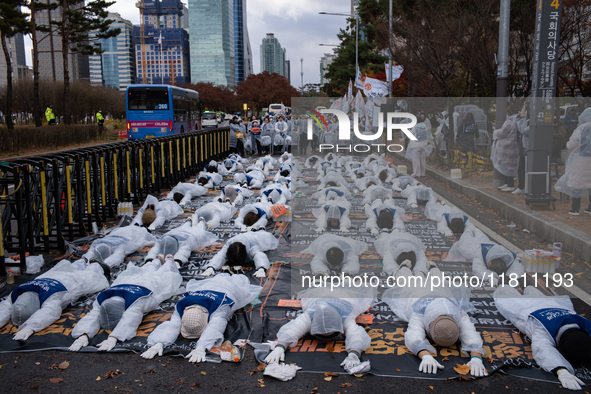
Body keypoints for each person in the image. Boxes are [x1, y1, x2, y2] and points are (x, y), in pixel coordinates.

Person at [383, 263, 486, 376]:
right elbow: (413, 336)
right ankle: (405, 268)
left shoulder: (458, 314)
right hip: (415, 292)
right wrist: (425, 355)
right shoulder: (419, 311)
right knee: (407, 282)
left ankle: (430, 269)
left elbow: (471, 335)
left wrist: (477, 358)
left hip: (439, 291)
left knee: (437, 281)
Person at [68, 257, 182, 352]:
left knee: (164, 274)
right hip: (133, 281)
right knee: (154, 271)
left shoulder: (136, 302)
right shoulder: (103, 299)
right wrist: (83, 334)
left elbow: (130, 319)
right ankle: (158, 261)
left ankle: (166, 261)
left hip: (149, 284)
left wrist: (114, 337)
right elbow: (94, 315)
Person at [141, 274, 262, 362]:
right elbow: (174, 324)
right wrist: (159, 342)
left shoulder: (220, 307)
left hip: (230, 287)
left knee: (240, 278)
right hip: (209, 286)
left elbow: (216, 326)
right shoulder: (183, 306)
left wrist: (202, 346)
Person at [494, 285, 591, 390]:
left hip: (549, 302)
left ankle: (524, 286)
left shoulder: (583, 324)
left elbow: (543, 349)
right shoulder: (543, 328)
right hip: (526, 306)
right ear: (558, 340)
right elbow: (543, 349)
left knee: (530, 289)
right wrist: (561, 370)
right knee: (503, 292)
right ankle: (508, 284)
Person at [264, 284, 376, 373]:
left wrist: (354, 354)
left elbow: (355, 334)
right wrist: (280, 346)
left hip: (345, 296)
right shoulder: (310, 316)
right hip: (320, 294)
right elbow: (295, 328)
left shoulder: (345, 316)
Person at [0, 259, 110, 341]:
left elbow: (50, 312)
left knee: (91, 276)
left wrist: (30, 327)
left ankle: (96, 265)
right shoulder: (18, 292)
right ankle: (82, 261)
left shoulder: (52, 296)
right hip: (52, 276)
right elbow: (5, 307)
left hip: (71, 282)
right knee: (67, 267)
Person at [446, 228, 524, 287]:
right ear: (489, 263)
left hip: (486, 242)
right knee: (465, 239)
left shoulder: (507, 255)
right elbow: (478, 268)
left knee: (483, 237)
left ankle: (476, 230)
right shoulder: (479, 253)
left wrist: (512, 277)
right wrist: (490, 277)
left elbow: (517, 268)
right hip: (472, 245)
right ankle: (469, 230)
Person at [555, 108, 591, 216]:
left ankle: (575, 209)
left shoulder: (580, 129)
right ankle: (589, 208)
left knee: (577, 184)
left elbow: (571, 146)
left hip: (580, 161)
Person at [201, 231, 280, 278]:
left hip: (260, 238)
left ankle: (259, 230)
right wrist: (211, 267)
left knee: (265, 235)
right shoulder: (229, 245)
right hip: (247, 236)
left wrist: (262, 267)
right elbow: (220, 255)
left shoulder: (252, 245)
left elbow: (259, 255)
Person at [143, 222, 218, 266]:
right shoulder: (161, 241)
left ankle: (201, 223)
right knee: (184, 226)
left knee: (200, 229)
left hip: (192, 234)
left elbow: (183, 253)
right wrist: (149, 260)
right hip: (178, 231)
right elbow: (154, 250)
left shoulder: (185, 243)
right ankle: (188, 222)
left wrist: (177, 261)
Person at [81, 225, 157, 267]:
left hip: (123, 235)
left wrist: (83, 262)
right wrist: (102, 265)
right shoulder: (120, 245)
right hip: (123, 236)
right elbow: (117, 257)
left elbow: (87, 255)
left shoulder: (96, 243)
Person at [491, 104, 520, 192]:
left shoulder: (509, 121)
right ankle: (507, 183)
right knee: (509, 166)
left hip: (506, 146)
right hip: (514, 145)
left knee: (506, 165)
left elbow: (502, 133)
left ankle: (510, 184)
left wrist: (495, 131)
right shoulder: (518, 120)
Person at [513, 109, 530, 195]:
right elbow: (517, 128)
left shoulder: (534, 122)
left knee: (526, 169)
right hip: (524, 148)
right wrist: (518, 119)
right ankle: (521, 186)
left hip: (529, 149)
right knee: (521, 169)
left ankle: (524, 187)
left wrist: (522, 119)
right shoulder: (528, 121)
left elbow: (524, 131)